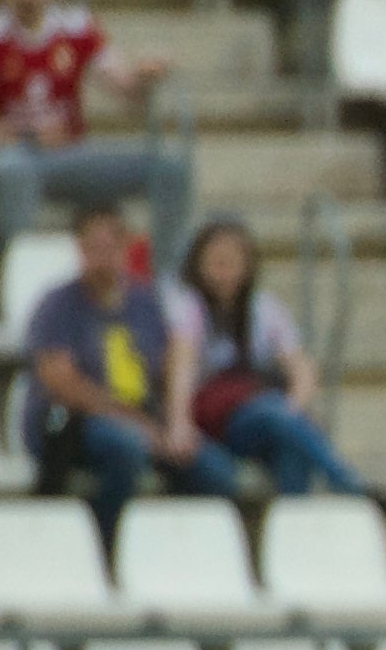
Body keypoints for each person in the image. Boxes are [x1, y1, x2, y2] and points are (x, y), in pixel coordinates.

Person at [0, 0, 190, 252]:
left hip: (71, 154)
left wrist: (145, 76)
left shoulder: (77, 27)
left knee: (169, 169)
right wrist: (28, 136)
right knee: (12, 171)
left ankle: (166, 279)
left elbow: (125, 88)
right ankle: (18, 274)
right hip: (14, 154)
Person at [23, 206, 233, 538]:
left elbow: (167, 369)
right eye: (92, 248)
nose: (101, 258)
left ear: (125, 248)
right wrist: (138, 426)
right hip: (75, 423)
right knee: (125, 450)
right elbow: (63, 383)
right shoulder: (58, 305)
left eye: (109, 248)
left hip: (144, 419)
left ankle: (180, 546)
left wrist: (177, 424)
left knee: (214, 471)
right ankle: (104, 546)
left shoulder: (145, 303)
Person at [166, 217, 370, 499]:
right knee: (272, 413)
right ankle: (345, 482)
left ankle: (291, 522)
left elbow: (301, 368)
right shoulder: (189, 308)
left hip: (261, 419)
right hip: (215, 419)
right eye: (215, 262)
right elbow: (182, 367)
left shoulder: (264, 309)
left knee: (288, 442)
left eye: (230, 262)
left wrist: (291, 411)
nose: (222, 271)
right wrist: (180, 422)